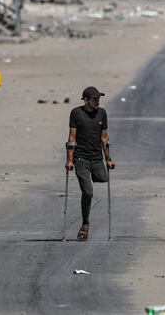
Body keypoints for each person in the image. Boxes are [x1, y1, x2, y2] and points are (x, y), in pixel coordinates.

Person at [65, 86, 115, 241]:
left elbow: (104, 138)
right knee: (88, 192)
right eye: (95, 99)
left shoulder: (102, 113)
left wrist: (108, 159)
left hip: (96, 158)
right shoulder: (76, 113)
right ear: (86, 100)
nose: (97, 101)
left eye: (98, 99)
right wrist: (69, 160)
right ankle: (85, 223)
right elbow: (72, 138)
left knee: (103, 177)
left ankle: (91, 175)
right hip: (81, 159)